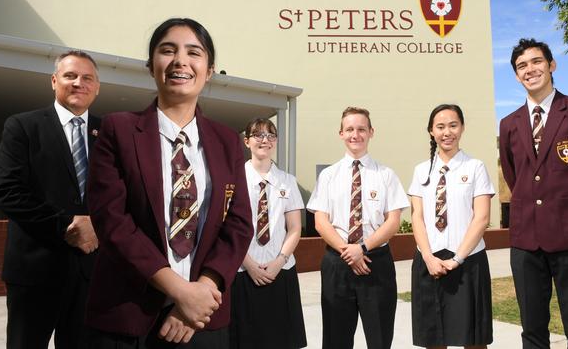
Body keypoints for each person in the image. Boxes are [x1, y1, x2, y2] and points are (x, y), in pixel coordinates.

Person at [84, 18, 253, 348]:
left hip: (203, 317)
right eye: (167, 50)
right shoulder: (118, 130)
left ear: (210, 70)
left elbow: (239, 223)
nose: (180, 61)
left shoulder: (227, 141)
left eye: (194, 52)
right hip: (126, 315)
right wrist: (180, 291)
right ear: (151, 66)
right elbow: (112, 222)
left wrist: (201, 291)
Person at [499, 38, 568, 349]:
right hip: (526, 243)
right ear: (515, 75)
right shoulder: (509, 124)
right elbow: (516, 177)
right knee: (532, 331)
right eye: (521, 66)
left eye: (536, 62)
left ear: (551, 65)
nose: (530, 69)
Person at [0, 50, 101, 349]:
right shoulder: (23, 126)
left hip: (91, 272)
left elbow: (126, 196)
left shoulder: (109, 134)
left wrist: (98, 228)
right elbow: (8, 190)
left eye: (87, 78)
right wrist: (67, 225)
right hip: (35, 271)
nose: (79, 83)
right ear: (54, 81)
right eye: (70, 76)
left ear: (97, 87)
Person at [307, 106, 409, 349]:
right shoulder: (329, 176)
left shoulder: (386, 175)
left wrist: (362, 248)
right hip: (337, 264)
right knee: (336, 339)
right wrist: (349, 252)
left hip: (376, 264)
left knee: (380, 338)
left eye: (361, 129)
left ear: (371, 132)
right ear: (340, 133)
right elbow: (321, 222)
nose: (356, 134)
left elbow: (392, 221)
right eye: (350, 129)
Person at [408, 104, 494, 349]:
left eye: (453, 125)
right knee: (433, 338)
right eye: (441, 126)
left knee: (473, 339)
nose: (447, 132)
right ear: (431, 132)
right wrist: (427, 257)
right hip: (429, 262)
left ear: (462, 128)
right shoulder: (421, 171)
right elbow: (417, 217)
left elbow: (482, 218)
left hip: (468, 262)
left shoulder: (475, 167)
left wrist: (457, 259)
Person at [229, 118, 307, 349]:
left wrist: (279, 261)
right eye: (258, 135)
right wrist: (249, 264)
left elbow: (294, 228)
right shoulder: (233, 179)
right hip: (243, 271)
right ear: (246, 141)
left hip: (280, 272)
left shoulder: (288, 181)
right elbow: (227, 227)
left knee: (280, 339)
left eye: (270, 135)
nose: (265, 140)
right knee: (243, 340)